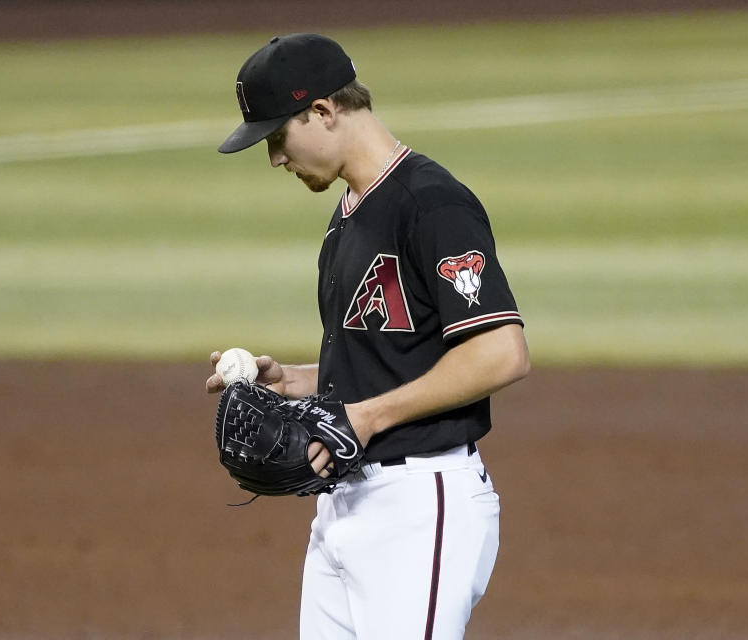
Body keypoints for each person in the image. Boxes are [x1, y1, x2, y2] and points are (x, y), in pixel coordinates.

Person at [206, 33, 530, 640]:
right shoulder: (349, 213)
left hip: (420, 503)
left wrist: (370, 416)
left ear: (323, 111)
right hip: (343, 504)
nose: (275, 157)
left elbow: (501, 351)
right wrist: (294, 382)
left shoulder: (431, 204)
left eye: (277, 136)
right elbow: (384, 356)